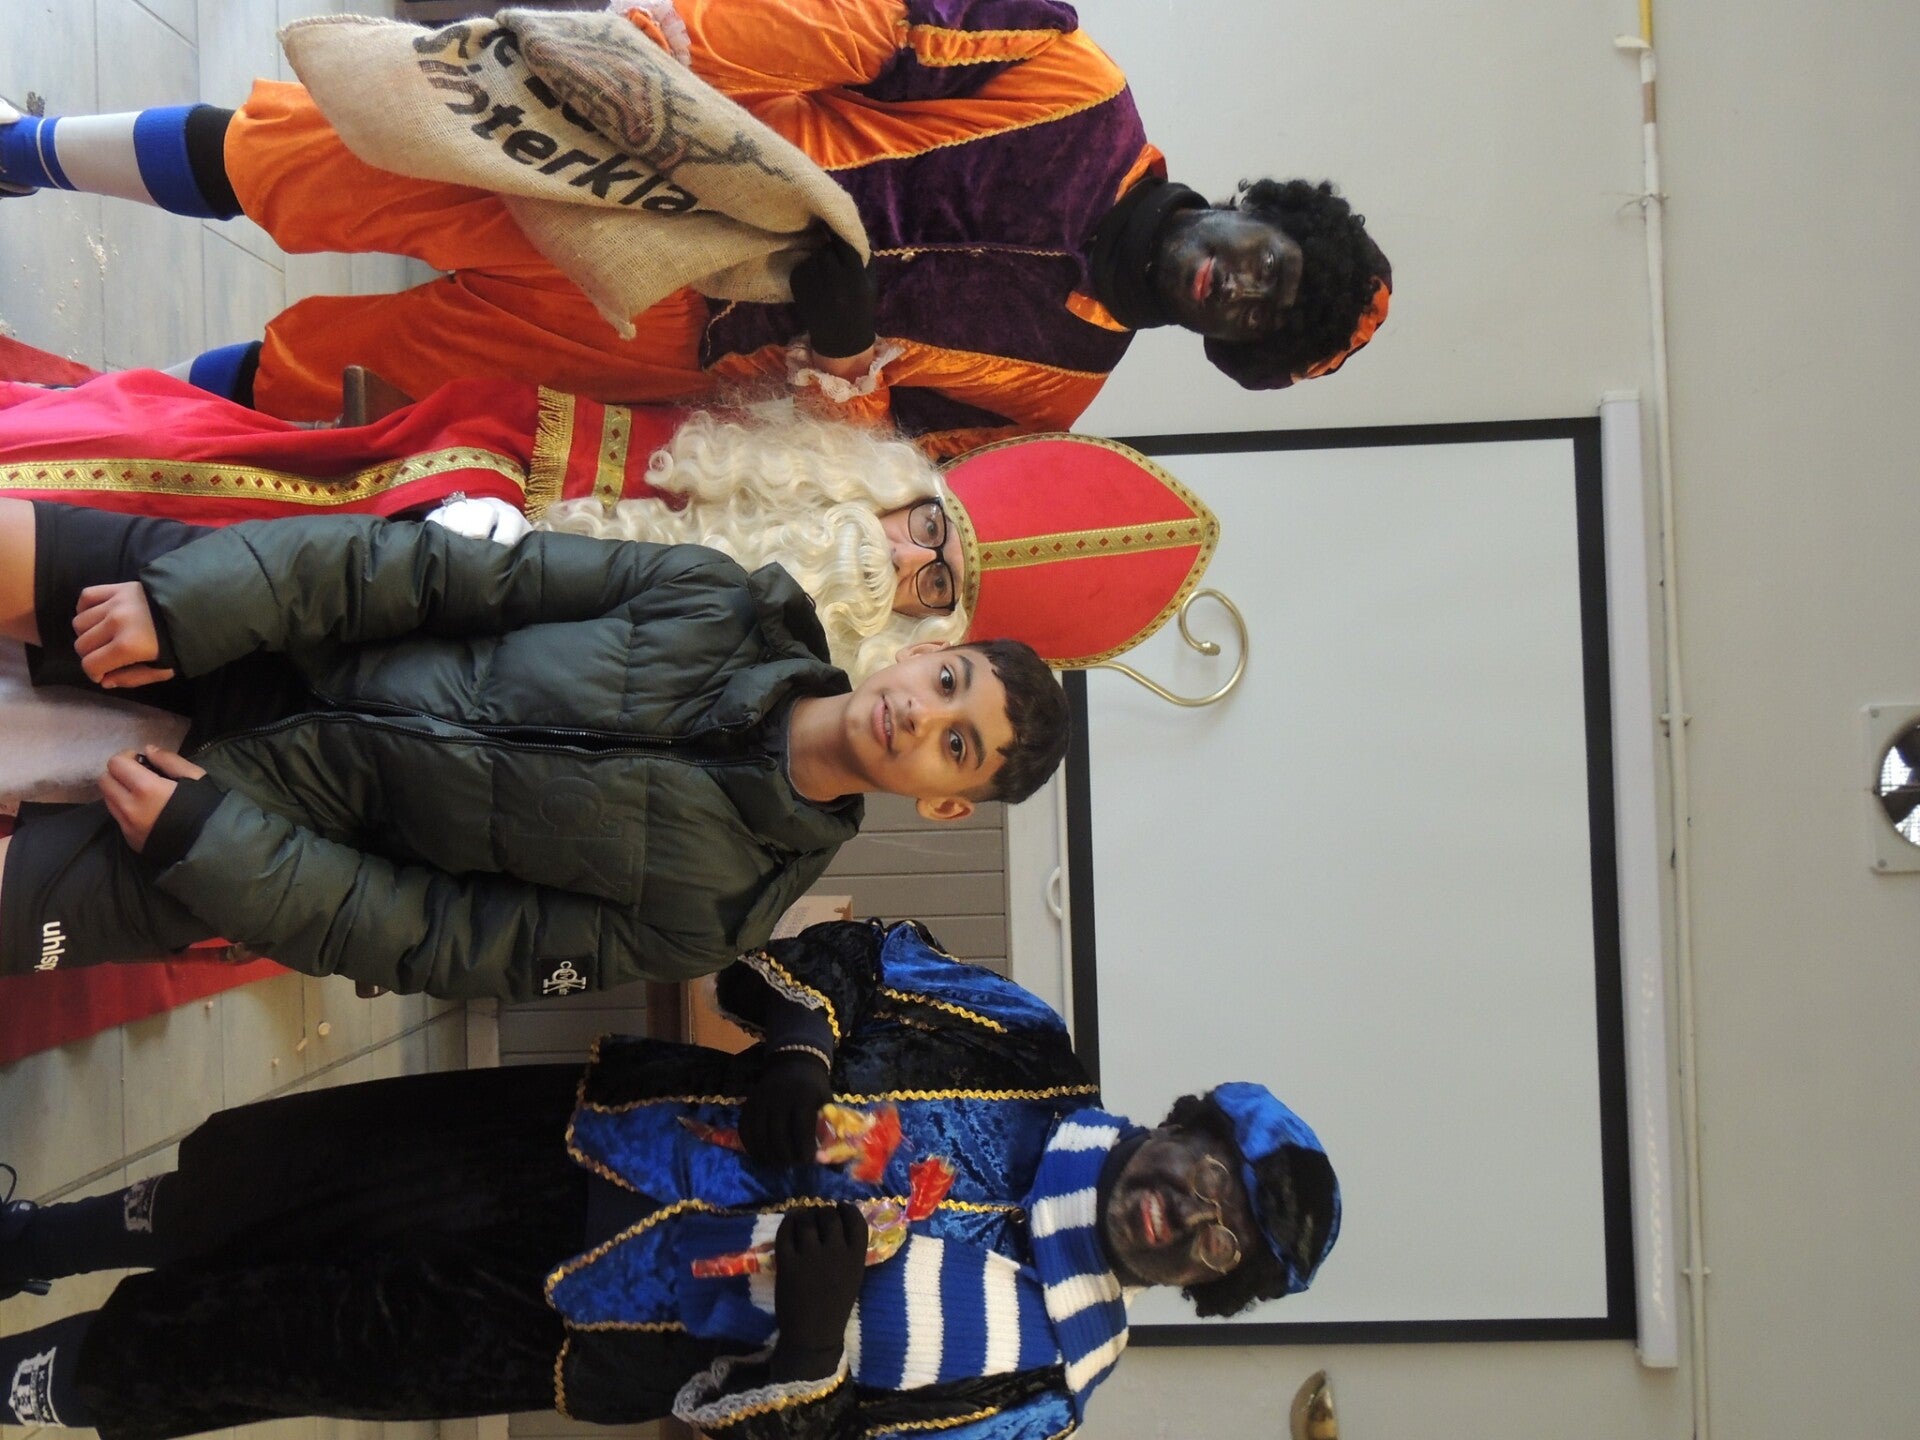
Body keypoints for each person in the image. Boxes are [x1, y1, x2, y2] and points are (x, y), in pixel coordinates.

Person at [0, 918, 1342, 1438]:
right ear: (1189, 1125)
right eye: (1210, 1176)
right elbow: (859, 956)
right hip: (567, 1136)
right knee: (265, 1185)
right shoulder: (1029, 1051)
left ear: (1205, 1284)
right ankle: (35, 1237)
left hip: (572, 1337)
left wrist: (806, 1351)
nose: (1186, 1216)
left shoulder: (1042, 1395)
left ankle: (20, 1383)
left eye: (1219, 1243)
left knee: (257, 1343)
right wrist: (803, 1047)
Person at [0, 0, 1392, 457]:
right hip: (643, 165)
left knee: (338, 383)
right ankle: (23, 154)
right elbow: (862, 24)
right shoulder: (1079, 82)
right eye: (1266, 265)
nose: (1237, 286)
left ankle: (62, 432)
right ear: (1258, 212)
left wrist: (842, 357)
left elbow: (872, 455)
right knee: (303, 158)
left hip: (661, 335)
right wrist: (656, 66)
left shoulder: (1061, 394)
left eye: (1259, 316)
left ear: (1233, 348)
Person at [0, 498, 1070, 996]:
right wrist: (192, 604)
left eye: (957, 748)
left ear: (945, 803)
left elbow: (440, 940)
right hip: (272, 630)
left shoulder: (718, 913)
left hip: (256, 838)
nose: (922, 718)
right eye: (947, 685)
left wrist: (219, 851)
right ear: (926, 651)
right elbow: (444, 575)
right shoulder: (716, 601)